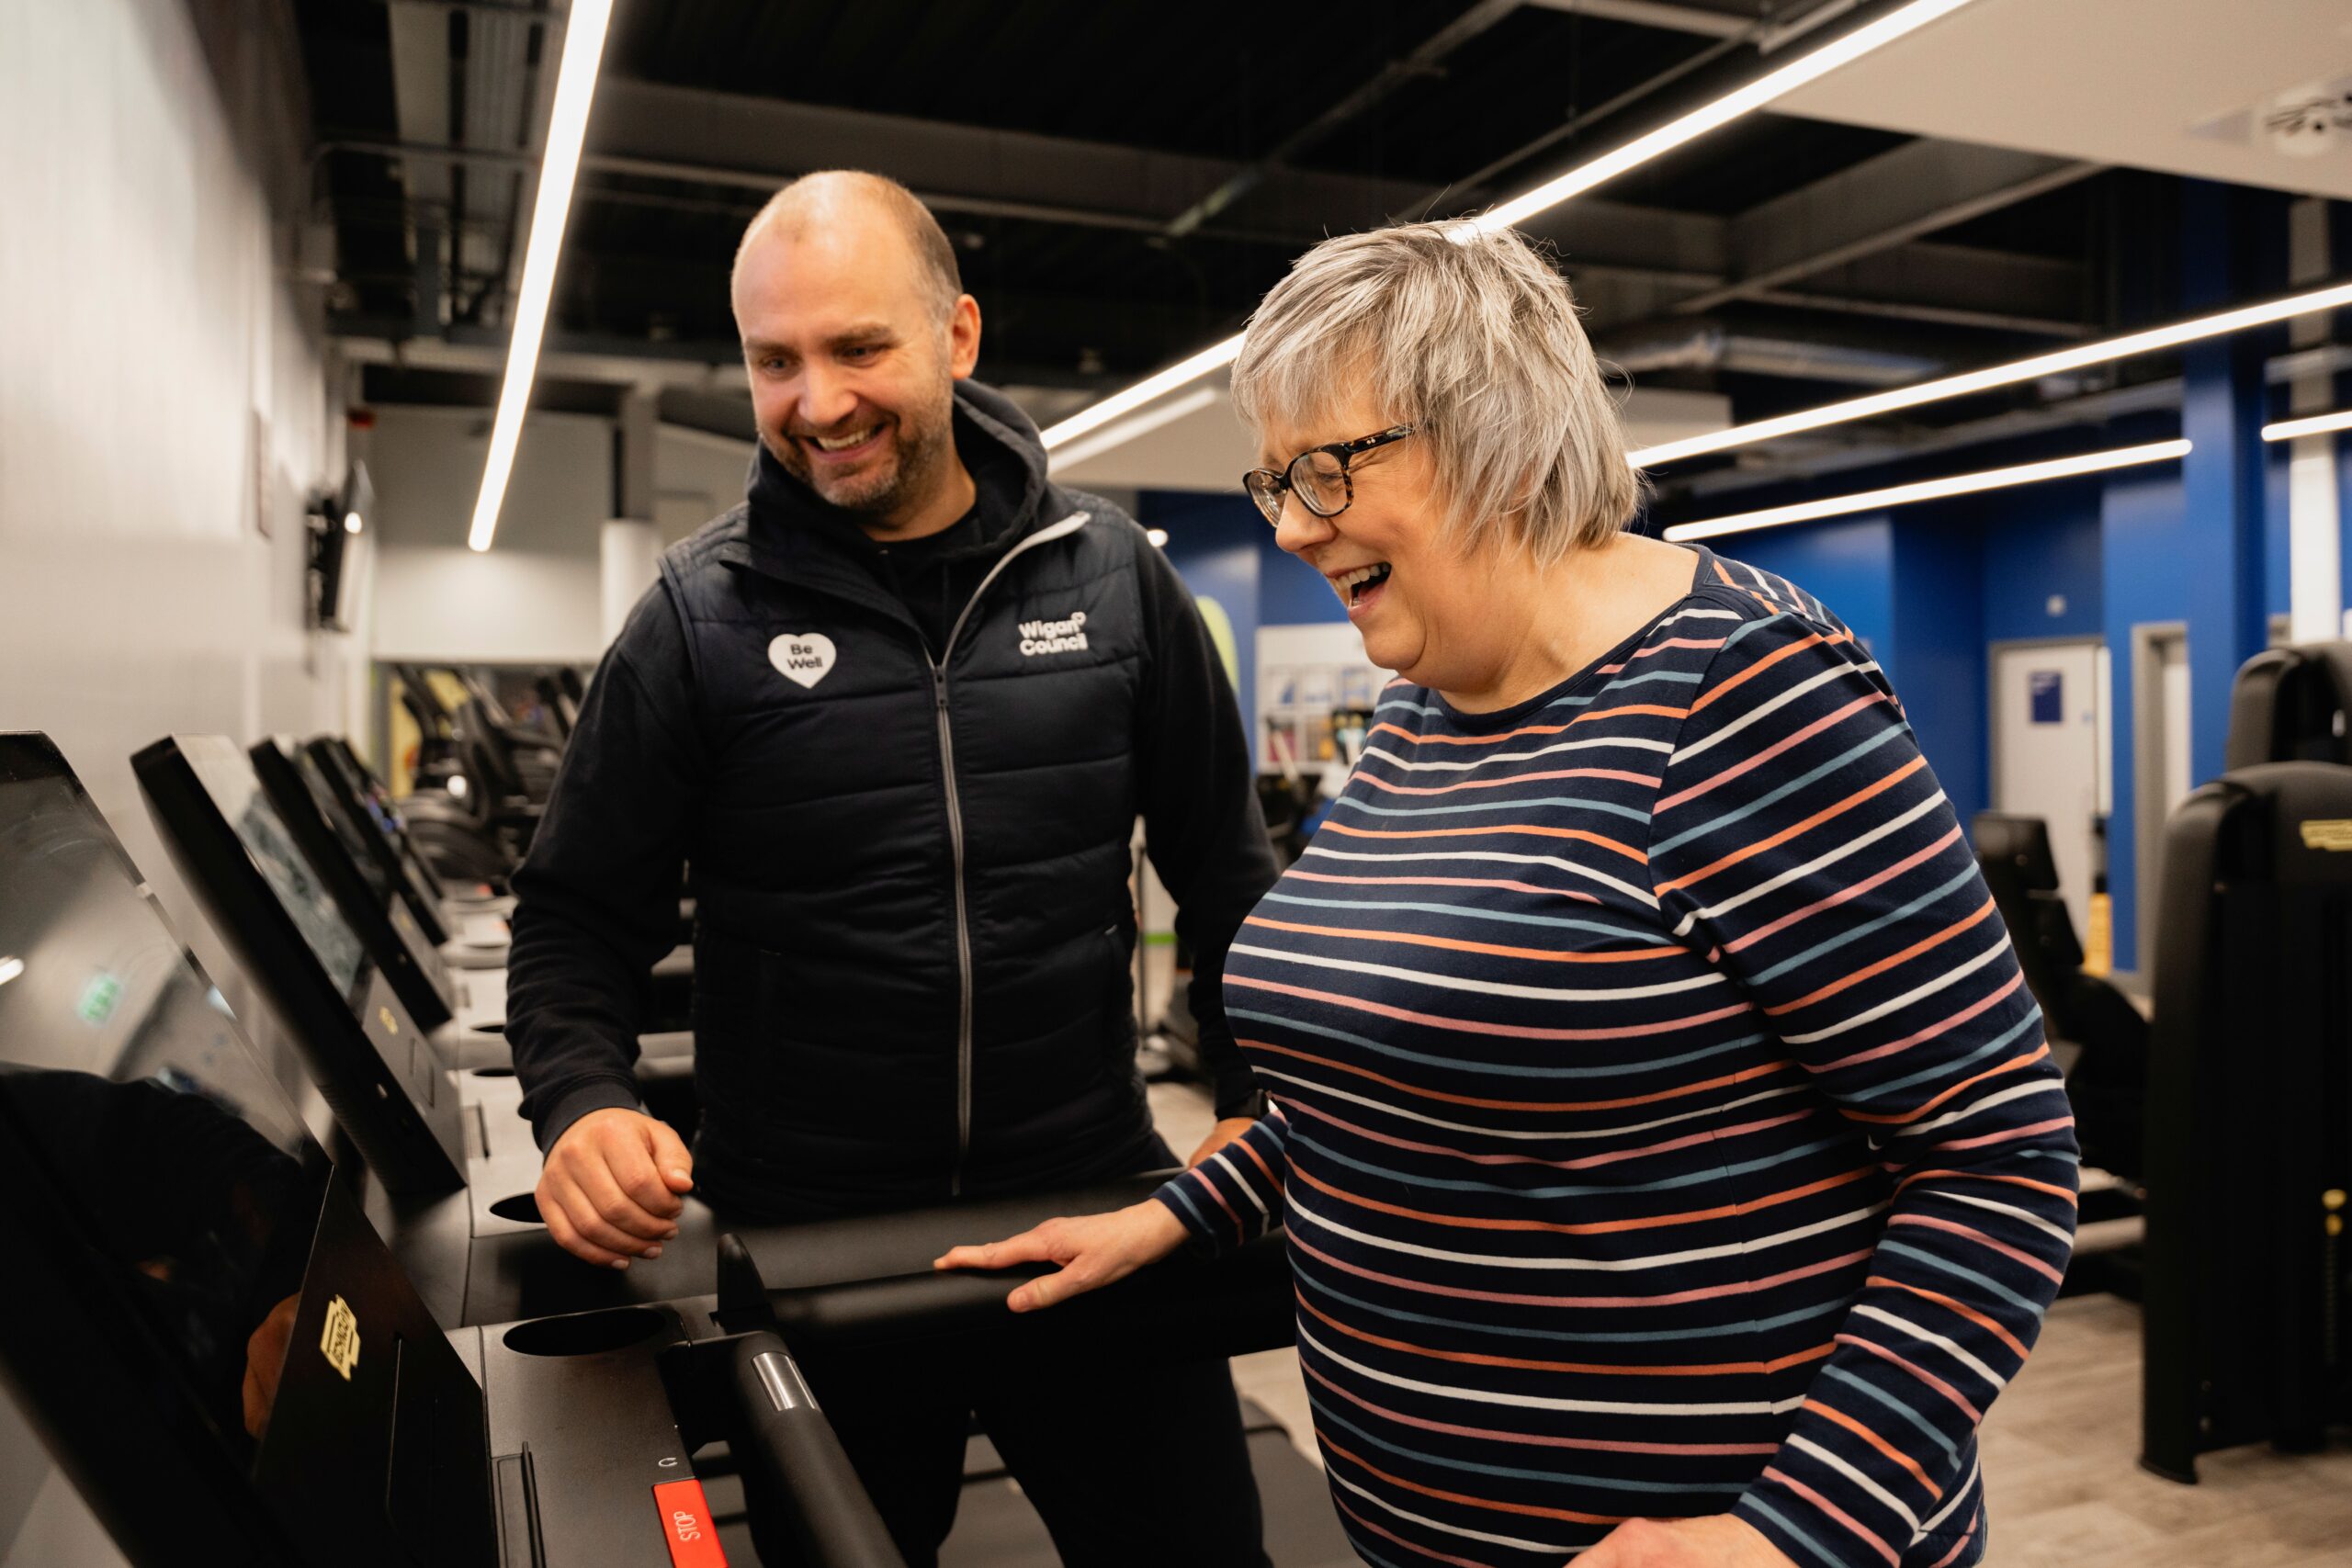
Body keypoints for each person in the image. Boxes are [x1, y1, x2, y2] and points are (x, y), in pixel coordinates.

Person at [938, 220, 2080, 1568]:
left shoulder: (1747, 695)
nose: (1295, 524)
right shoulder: (1426, 708)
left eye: (1325, 469)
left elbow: (1998, 1164)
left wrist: (1789, 1532)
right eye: (1272, 480)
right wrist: (1186, 1208)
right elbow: (1396, 1079)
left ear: (1498, 432)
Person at [503, 171, 1278, 1566]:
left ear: (959, 337)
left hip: (1090, 1209)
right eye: (774, 361)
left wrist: (1246, 1100)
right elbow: (573, 919)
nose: (818, 401)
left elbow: (1231, 879)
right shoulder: (696, 619)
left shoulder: (1111, 581)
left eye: (859, 348)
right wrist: (582, 1103)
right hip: (813, 1248)